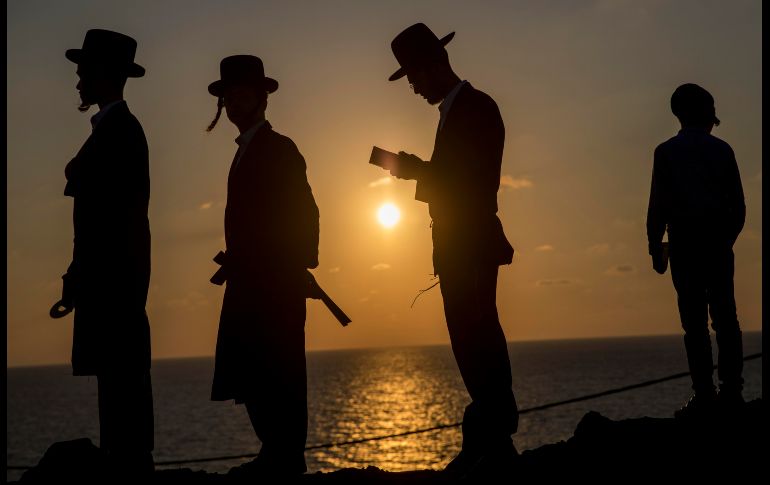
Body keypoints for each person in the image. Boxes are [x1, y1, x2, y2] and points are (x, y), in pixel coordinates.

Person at [385, 23, 518, 476]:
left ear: (433, 65)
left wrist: (411, 169)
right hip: (460, 244)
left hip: (472, 242)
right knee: (469, 337)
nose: (414, 87)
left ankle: (496, 437)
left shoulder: (475, 108)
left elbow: (472, 184)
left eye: (415, 77)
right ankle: (491, 437)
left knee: (477, 333)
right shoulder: (457, 110)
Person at [206, 55, 319, 477]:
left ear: (261, 99)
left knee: (279, 369)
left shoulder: (278, 148)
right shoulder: (251, 150)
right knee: (254, 368)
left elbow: (306, 213)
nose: (234, 103)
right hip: (251, 279)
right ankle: (275, 453)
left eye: (241, 95)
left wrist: (294, 267)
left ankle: (285, 458)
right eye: (229, 96)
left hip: (272, 282)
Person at [54, 29, 154, 477]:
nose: (78, 82)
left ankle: (129, 466)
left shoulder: (120, 132)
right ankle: (125, 462)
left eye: (84, 73)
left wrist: (86, 272)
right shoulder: (115, 130)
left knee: (121, 376)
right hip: (110, 276)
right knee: (117, 376)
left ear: (104, 76)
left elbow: (112, 217)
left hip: (115, 278)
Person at [646, 83, 746, 418]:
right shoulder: (722, 151)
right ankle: (732, 392)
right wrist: (725, 240)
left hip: (684, 246)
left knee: (694, 324)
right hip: (717, 244)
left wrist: (654, 243)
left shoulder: (665, 152)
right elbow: (739, 207)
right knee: (726, 319)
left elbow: (657, 205)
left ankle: (704, 394)